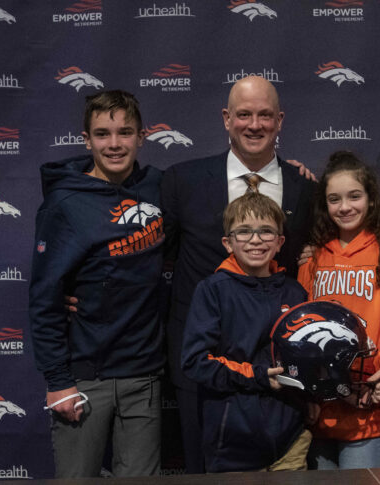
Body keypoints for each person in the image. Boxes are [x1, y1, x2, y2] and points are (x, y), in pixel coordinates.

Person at [161, 76, 317, 473]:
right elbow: (155, 259)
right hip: (206, 370)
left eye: (265, 115)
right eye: (244, 114)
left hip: (281, 380)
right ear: (226, 119)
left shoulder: (306, 187)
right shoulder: (181, 181)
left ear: (280, 121)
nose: (254, 125)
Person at [29, 90, 164, 477]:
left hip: (144, 374)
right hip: (85, 379)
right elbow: (45, 299)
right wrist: (58, 381)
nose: (115, 144)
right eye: (103, 134)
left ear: (142, 136)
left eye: (125, 132)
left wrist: (288, 172)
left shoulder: (159, 187)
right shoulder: (64, 204)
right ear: (86, 140)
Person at [297, 151, 380, 469]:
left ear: (372, 200)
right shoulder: (313, 257)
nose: (345, 207)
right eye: (334, 199)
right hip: (321, 408)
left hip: (367, 407)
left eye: (354, 196)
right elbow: (301, 333)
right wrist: (309, 392)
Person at [181, 192, 312, 472]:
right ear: (228, 243)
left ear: (280, 242)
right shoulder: (213, 290)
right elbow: (196, 362)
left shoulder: (294, 291)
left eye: (266, 231)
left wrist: (310, 399)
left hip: (290, 438)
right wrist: (257, 376)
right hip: (233, 440)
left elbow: (306, 355)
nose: (255, 240)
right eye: (244, 232)